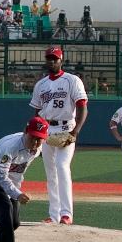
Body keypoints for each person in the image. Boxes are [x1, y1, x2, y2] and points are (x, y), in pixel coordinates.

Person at [29, 46, 88, 224]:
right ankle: (54, 215)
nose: (52, 61)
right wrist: (37, 136)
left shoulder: (72, 80)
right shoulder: (41, 84)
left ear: (61, 60)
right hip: (47, 131)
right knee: (50, 173)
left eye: (55, 58)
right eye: (49, 58)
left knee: (62, 167)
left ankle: (66, 214)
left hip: (66, 128)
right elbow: (37, 113)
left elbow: (82, 107)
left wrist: (75, 131)